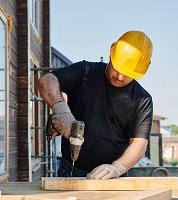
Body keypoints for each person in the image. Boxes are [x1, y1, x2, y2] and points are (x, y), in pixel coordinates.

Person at [38, 30, 153, 179]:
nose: (119, 77)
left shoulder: (142, 100)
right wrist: (61, 110)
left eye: (127, 73)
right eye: (117, 68)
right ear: (111, 54)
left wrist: (118, 167)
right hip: (71, 170)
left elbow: (139, 144)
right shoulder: (85, 72)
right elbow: (47, 80)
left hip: (111, 176)